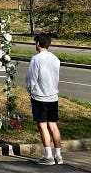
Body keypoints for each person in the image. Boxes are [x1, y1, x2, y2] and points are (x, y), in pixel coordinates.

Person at [26, 33, 63, 165]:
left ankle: (48, 155)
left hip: (40, 97)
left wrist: (30, 90)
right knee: (53, 125)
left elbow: (32, 79)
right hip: (53, 96)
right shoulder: (55, 59)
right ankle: (58, 155)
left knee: (42, 126)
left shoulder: (36, 59)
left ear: (37, 44)